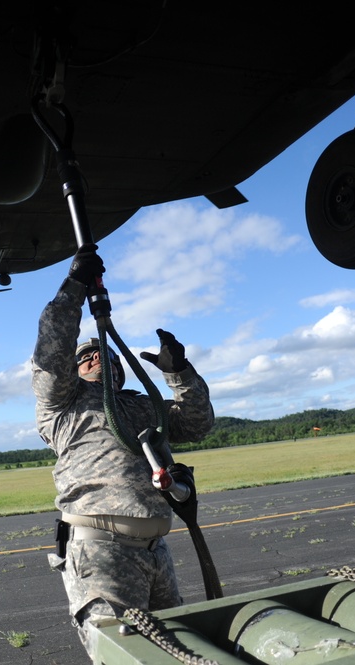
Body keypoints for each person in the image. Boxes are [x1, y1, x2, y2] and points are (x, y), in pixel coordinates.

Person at [31, 246, 215, 653]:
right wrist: (75, 286)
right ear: (74, 371)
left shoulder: (142, 404)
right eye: (87, 357)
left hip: (156, 552)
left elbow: (198, 424)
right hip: (100, 551)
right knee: (125, 655)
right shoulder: (62, 404)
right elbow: (51, 353)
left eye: (106, 356)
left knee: (178, 652)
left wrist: (179, 373)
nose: (97, 358)